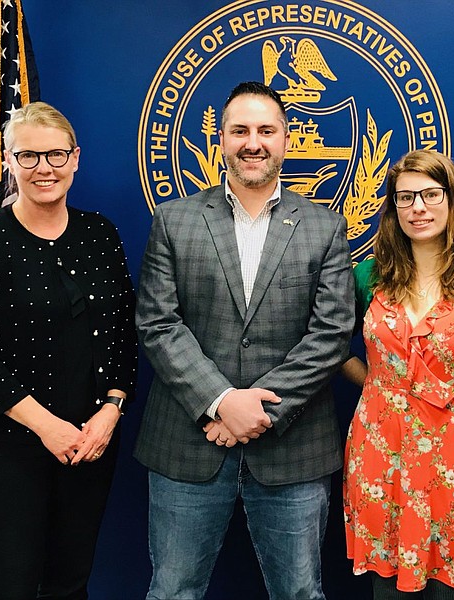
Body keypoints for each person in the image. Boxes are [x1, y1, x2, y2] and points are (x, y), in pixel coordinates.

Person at [134, 81, 355, 600]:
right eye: (240, 131)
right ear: (222, 141)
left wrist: (256, 412)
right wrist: (221, 402)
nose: (253, 142)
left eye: (266, 130)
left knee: (300, 593)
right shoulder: (174, 220)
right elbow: (158, 322)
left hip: (293, 448)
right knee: (172, 592)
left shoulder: (324, 226)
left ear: (285, 140)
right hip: (188, 445)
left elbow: (331, 334)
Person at [0, 101, 137, 599]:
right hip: (3, 452)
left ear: (76, 159)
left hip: (89, 445)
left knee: (69, 587)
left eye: (55, 155)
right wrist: (50, 428)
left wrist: (110, 413)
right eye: (28, 157)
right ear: (8, 161)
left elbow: (122, 336)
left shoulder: (101, 235)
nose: (43, 168)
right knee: (9, 589)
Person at [342, 149, 454, 599]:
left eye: (429, 194)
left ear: (453, 200)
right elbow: (327, 345)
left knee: (449, 585)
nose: (418, 207)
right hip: (380, 448)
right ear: (393, 208)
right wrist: (380, 386)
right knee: (385, 582)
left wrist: (448, 398)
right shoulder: (368, 277)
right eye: (405, 198)